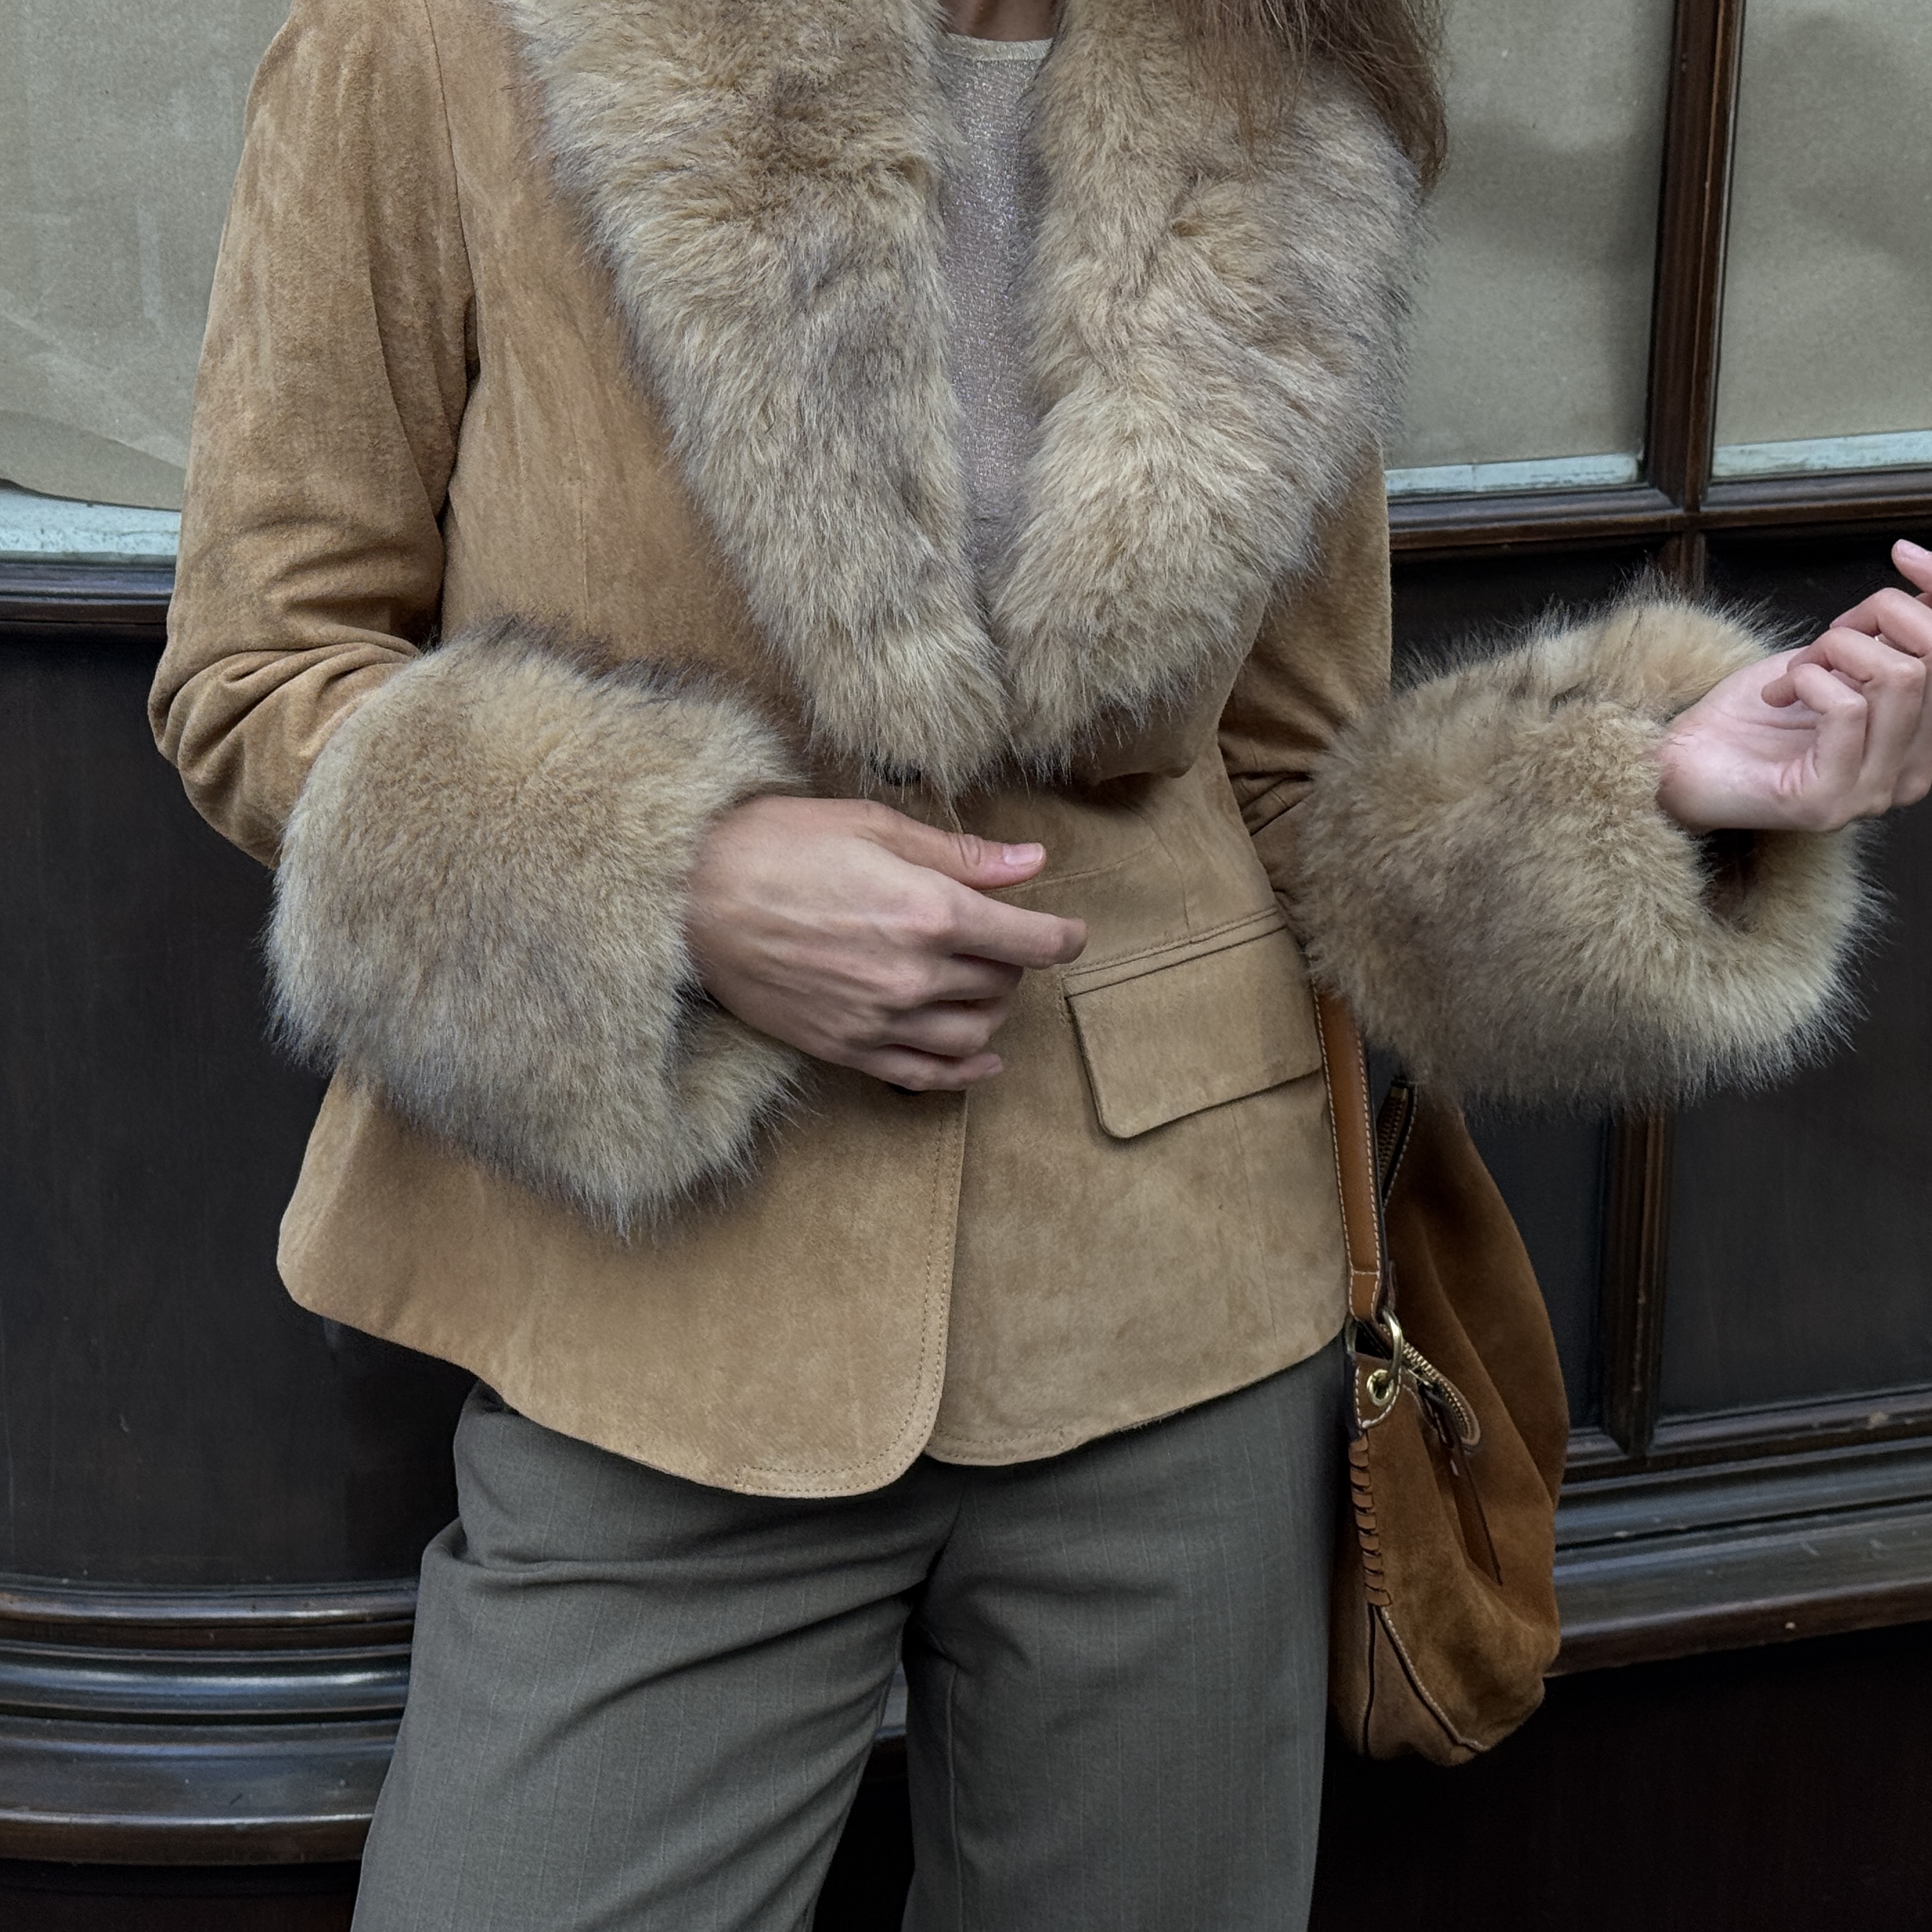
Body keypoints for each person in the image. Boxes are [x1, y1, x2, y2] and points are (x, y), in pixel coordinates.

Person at [148, 0, 1932, 1924]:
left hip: (1178, 1319)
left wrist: (1655, 791)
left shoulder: (1289, 67)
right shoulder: (432, 41)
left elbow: (1294, 785)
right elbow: (261, 675)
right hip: (662, 1310)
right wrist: (683, 882)